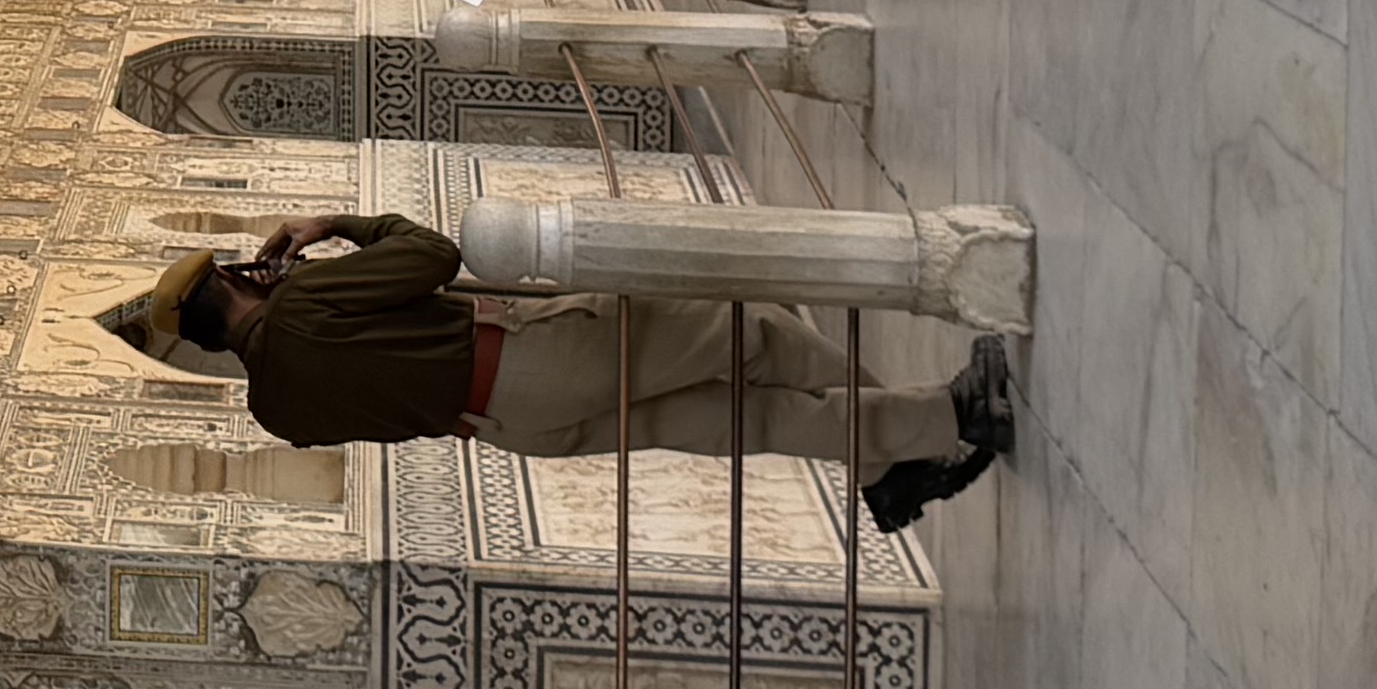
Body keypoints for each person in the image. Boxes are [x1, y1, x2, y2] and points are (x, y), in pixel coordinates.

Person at [94, 214, 1014, 523]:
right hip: (534, 361)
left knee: (747, 422)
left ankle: (913, 445)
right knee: (757, 339)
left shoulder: (275, 411)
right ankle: (914, 439)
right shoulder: (302, 304)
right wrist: (336, 227)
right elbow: (431, 253)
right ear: (237, 278)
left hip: (510, 432)